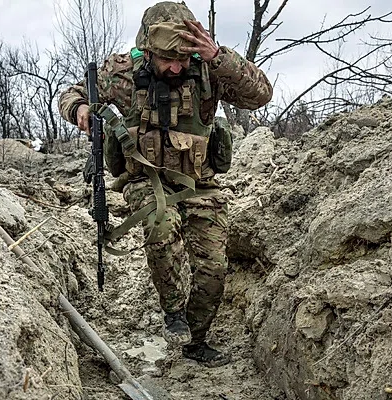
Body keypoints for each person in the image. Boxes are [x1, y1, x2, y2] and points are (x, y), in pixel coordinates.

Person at [59, 0, 272, 367]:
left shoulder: (209, 68)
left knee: (214, 266)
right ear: (148, 50)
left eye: (183, 59)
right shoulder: (122, 73)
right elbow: (71, 94)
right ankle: (172, 311)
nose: (176, 67)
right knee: (162, 224)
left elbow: (260, 94)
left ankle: (197, 337)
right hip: (145, 178)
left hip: (199, 184)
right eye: (167, 59)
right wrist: (79, 109)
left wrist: (220, 56)